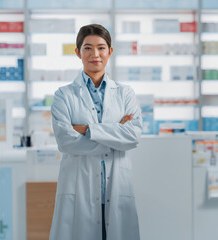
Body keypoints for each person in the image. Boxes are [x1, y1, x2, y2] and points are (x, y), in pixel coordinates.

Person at [49, 24, 143, 240]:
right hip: (80, 189)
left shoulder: (125, 93)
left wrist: (88, 130)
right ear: (78, 52)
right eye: (87, 48)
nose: (95, 54)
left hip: (117, 187)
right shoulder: (64, 95)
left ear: (110, 51)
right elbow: (66, 141)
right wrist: (114, 134)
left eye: (101, 48)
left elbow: (133, 136)